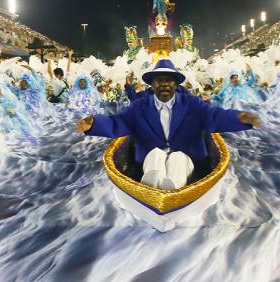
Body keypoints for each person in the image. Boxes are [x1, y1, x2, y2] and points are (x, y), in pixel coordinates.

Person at [77, 59, 260, 190]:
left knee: (178, 158)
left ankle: (172, 190)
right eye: (159, 80)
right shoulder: (139, 107)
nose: (164, 84)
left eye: (169, 80)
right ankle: (150, 189)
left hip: (187, 157)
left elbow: (214, 116)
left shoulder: (192, 104)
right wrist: (93, 125)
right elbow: (118, 122)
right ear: (152, 85)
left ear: (175, 84)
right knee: (155, 155)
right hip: (150, 157)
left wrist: (240, 118)